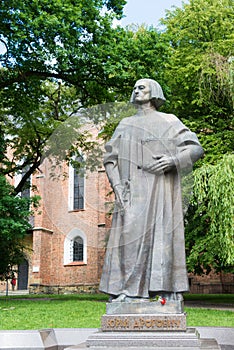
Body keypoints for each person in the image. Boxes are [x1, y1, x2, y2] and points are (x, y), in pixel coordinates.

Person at [99, 78, 204, 302]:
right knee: (129, 238)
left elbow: (196, 149)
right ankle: (128, 292)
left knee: (162, 239)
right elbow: (110, 159)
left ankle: (166, 289)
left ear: (154, 92)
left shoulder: (169, 121)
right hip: (131, 190)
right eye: (134, 88)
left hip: (161, 190)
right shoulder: (125, 124)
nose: (136, 91)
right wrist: (117, 187)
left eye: (141, 87)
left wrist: (173, 160)